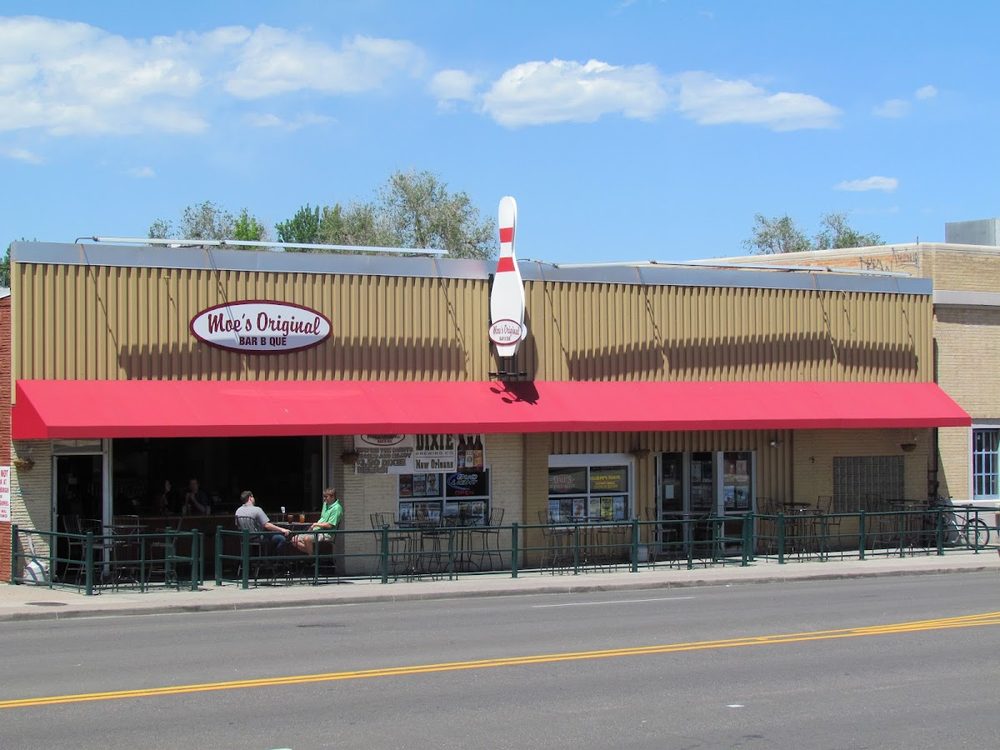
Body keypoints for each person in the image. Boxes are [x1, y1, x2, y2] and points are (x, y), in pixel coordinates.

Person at [292, 487, 343, 556]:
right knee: (294, 539)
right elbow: (322, 519)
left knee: (307, 539)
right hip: (316, 531)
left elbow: (330, 525)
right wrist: (314, 526)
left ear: (332, 497)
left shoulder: (337, 508)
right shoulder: (325, 504)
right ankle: (313, 555)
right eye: (323, 497)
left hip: (326, 534)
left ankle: (312, 558)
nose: (324, 499)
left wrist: (316, 524)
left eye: (326, 497)